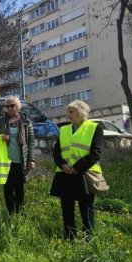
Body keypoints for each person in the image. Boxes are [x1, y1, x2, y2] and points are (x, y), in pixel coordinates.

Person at [50, 100, 104, 241]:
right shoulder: (64, 130)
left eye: (71, 112)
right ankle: (69, 236)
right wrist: (63, 165)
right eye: (67, 112)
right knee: (66, 208)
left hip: (84, 175)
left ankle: (88, 238)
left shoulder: (94, 128)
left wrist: (76, 168)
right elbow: (56, 152)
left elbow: (96, 152)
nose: (68, 115)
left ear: (81, 112)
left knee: (86, 208)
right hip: (65, 174)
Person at [0, 96, 36, 215]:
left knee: (19, 188)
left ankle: (20, 213)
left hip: (21, 161)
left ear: (18, 106)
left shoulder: (26, 122)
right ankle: (11, 213)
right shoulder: (0, 120)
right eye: (7, 106)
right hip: (6, 161)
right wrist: (0, 137)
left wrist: (32, 159)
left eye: (12, 105)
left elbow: (31, 141)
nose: (9, 108)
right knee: (8, 188)